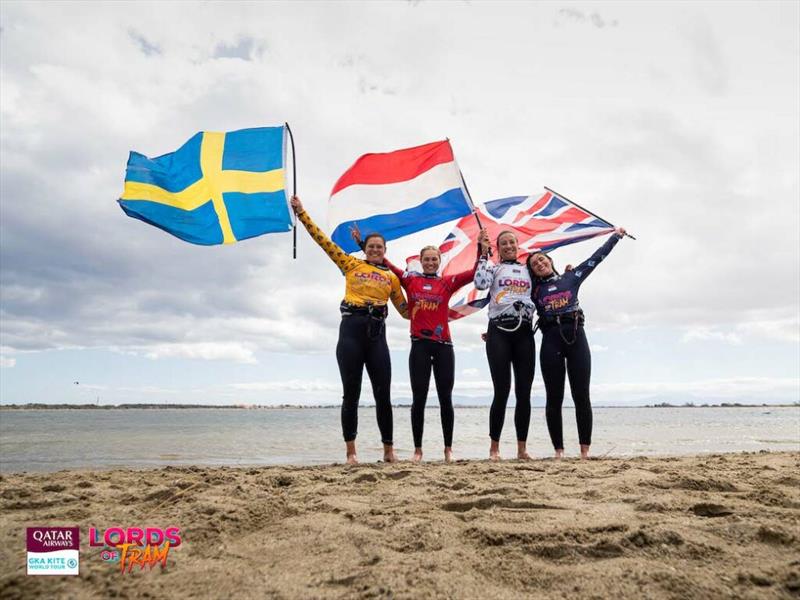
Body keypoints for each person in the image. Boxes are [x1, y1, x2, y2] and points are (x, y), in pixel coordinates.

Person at [353, 227, 488, 463]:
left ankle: (448, 449)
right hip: (420, 346)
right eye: (426, 259)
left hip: (444, 345)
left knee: (446, 398)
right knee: (419, 398)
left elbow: (475, 272)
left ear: (439, 262)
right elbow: (385, 262)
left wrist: (481, 248)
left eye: (434, 259)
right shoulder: (410, 280)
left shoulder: (447, 282)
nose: (430, 263)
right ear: (420, 261)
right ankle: (418, 450)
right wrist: (363, 244)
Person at [290, 196, 408, 465]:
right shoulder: (350, 264)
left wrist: (434, 303)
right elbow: (323, 242)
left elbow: (405, 311)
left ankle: (389, 451)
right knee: (351, 393)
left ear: (385, 250)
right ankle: (351, 453)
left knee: (383, 394)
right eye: (372, 246)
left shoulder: (391, 278)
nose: (376, 250)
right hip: (351, 332)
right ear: (364, 249)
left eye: (380, 247)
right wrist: (302, 213)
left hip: (377, 334)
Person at [527, 228, 626, 459]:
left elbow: (596, 258)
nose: (539, 263)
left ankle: (585, 451)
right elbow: (512, 303)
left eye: (541, 259)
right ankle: (559, 452)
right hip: (550, 340)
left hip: (576, 337)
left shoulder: (571, 278)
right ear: (532, 271)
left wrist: (615, 237)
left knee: (581, 394)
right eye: (534, 264)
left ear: (550, 260)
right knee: (554, 397)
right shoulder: (533, 290)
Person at [474, 229, 536, 460]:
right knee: (501, 391)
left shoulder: (528, 269)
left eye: (512, 242)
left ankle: (522, 449)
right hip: (499, 331)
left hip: (524, 333)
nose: (509, 246)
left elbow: (549, 286)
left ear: (518, 245)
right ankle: (494, 448)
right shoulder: (493, 267)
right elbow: (480, 284)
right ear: (497, 248)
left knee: (524, 392)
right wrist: (482, 253)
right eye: (504, 243)